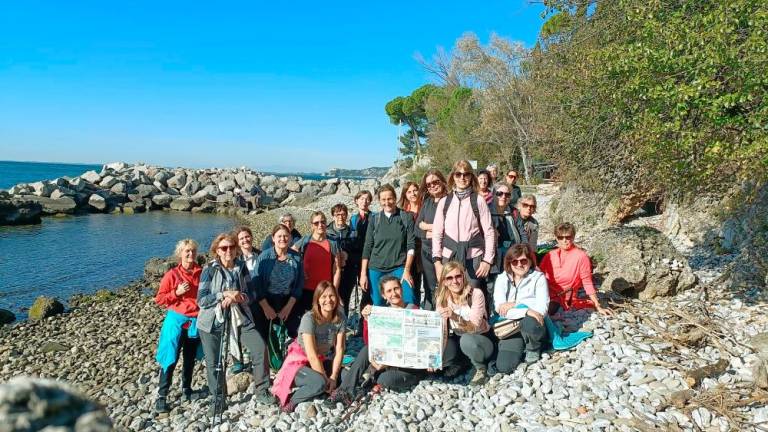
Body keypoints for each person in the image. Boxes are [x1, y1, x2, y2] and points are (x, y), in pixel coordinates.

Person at [197, 233, 273, 415]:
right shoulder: (209, 270)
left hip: (240, 315)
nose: (228, 251)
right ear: (217, 251)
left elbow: (251, 294)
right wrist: (223, 295)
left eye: (231, 247)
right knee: (214, 362)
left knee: (259, 348)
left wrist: (238, 296)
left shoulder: (241, 267)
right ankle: (218, 400)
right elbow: (201, 300)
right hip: (212, 321)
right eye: (224, 248)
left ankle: (262, 389)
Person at [329, 276, 424, 404]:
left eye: (396, 288)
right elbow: (371, 343)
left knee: (384, 378)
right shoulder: (382, 314)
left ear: (401, 290)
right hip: (387, 361)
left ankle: (364, 382)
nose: (393, 293)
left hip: (407, 366)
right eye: (389, 291)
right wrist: (368, 321)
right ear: (384, 296)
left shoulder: (414, 310)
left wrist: (388, 363)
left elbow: (418, 346)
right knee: (367, 349)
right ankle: (345, 390)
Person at [271, 281, 346, 412]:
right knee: (320, 383)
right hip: (299, 364)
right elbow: (311, 354)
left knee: (344, 374)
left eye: (332, 296)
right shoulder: (309, 318)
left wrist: (333, 376)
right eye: (324, 297)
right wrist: (326, 378)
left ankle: (330, 391)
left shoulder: (340, 318)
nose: (328, 300)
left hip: (319, 360)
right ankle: (292, 400)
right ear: (317, 299)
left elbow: (339, 350)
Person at [153, 239, 203, 413]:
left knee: (190, 358)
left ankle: (186, 389)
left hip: (195, 322)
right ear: (180, 253)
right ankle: (162, 396)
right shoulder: (172, 275)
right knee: (170, 358)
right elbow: (159, 299)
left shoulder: (201, 273)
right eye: (187, 251)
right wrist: (176, 292)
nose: (190, 254)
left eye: (193, 251)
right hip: (176, 322)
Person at [432, 160, 495, 292]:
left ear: (471, 176)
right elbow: (437, 233)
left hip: (473, 257)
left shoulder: (478, 201)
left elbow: (489, 232)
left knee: (472, 295)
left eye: (466, 174)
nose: (462, 177)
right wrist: (437, 262)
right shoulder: (445, 202)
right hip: (449, 256)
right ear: (453, 177)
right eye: (458, 174)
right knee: (450, 296)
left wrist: (487, 260)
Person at [436, 262, 494, 385]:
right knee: (440, 356)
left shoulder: (475, 294)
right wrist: (434, 356)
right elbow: (440, 329)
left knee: (467, 340)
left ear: (463, 277)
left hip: (480, 337)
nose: (455, 281)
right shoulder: (442, 299)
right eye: (449, 278)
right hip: (458, 337)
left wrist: (455, 316)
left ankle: (480, 367)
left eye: (458, 276)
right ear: (444, 281)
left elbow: (474, 326)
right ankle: (461, 362)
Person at [493, 244, 549, 372]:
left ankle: (533, 347)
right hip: (511, 327)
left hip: (531, 324)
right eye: (515, 261)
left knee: (530, 321)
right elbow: (499, 308)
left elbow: (541, 309)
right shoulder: (502, 279)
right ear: (509, 263)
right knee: (504, 367)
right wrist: (527, 309)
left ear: (530, 261)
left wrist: (514, 304)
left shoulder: (538, 278)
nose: (519, 265)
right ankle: (519, 345)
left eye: (523, 260)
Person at [539, 223, 614, 316]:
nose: (564, 241)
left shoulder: (581, 257)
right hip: (543, 292)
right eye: (560, 237)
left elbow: (587, 282)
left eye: (568, 237)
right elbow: (538, 274)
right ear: (556, 238)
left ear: (573, 237)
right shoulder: (550, 255)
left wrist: (598, 306)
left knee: (545, 312)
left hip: (562, 297)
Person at [360, 184, 417, 306]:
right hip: (376, 268)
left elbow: (411, 246)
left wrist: (407, 270)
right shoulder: (374, 219)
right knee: (378, 304)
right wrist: (363, 274)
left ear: (395, 198)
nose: (387, 202)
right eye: (383, 199)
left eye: (390, 198)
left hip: (399, 268)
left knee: (408, 300)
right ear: (379, 201)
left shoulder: (406, 217)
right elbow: (367, 247)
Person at [253, 225, 305, 338]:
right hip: (267, 301)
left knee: (295, 333)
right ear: (273, 238)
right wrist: (266, 307)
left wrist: (288, 307)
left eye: (286, 236)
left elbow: (299, 284)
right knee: (267, 337)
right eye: (279, 236)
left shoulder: (296, 258)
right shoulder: (264, 257)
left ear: (290, 238)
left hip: (288, 300)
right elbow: (257, 284)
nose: (283, 239)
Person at [293, 211, 342, 313]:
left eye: (323, 222)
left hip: (325, 290)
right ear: (312, 226)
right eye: (316, 223)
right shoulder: (305, 240)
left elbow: (337, 269)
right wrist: (300, 269)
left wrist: (335, 290)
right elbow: (290, 254)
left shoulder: (332, 242)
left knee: (324, 319)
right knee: (307, 319)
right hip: (306, 289)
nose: (320, 225)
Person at [415, 169, 448, 310]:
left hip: (444, 252)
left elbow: (451, 229)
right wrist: (430, 230)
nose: (432, 186)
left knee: (446, 286)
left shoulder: (450, 201)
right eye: (429, 184)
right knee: (429, 286)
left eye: (435, 182)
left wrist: (427, 227)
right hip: (426, 251)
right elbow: (417, 228)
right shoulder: (427, 202)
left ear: (442, 181)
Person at [490, 184, 528, 281]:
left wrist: (524, 250)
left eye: (507, 195)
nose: (503, 197)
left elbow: (522, 231)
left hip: (513, 254)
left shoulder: (513, 212)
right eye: (500, 193)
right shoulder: (486, 211)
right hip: (495, 258)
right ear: (493, 194)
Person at [326, 203, 356, 316]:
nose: (340, 217)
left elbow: (360, 254)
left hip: (348, 272)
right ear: (333, 216)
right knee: (328, 298)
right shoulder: (326, 232)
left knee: (345, 300)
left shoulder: (353, 233)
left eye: (343, 214)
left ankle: (343, 325)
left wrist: (348, 256)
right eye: (337, 214)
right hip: (329, 272)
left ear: (347, 215)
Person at [398, 181, 423, 308]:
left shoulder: (425, 207)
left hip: (425, 250)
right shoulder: (402, 212)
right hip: (410, 253)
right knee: (413, 285)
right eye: (409, 192)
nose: (413, 194)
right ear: (405, 195)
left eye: (415, 190)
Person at [349, 190, 373, 308]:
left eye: (367, 199)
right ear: (356, 201)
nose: (364, 201)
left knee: (367, 289)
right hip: (355, 258)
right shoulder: (353, 219)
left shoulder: (374, 217)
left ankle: (364, 321)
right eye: (362, 198)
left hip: (369, 258)